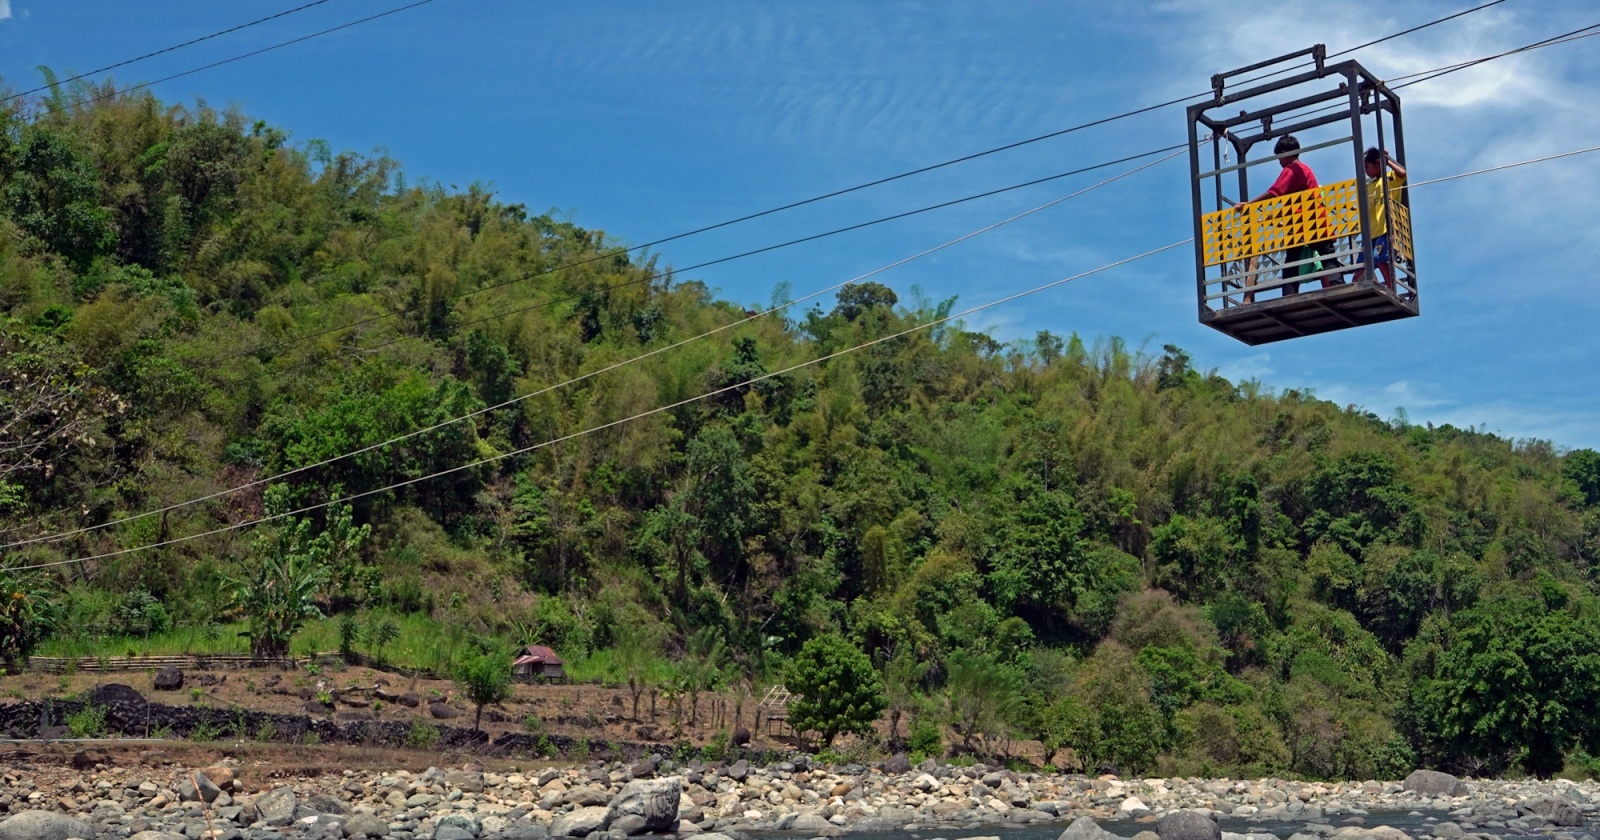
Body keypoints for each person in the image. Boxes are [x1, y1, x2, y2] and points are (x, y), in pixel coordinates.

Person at [1240, 135, 1342, 299]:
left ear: (1285, 152)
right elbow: (1291, 201)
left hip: (1300, 223)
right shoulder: (1306, 169)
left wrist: (1249, 204)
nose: (1279, 162)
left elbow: (1274, 192)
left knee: (1292, 262)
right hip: (1317, 219)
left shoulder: (1290, 170)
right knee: (1327, 255)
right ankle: (1338, 286)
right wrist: (1269, 217)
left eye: (1279, 157)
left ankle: (1289, 294)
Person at [1354, 146, 1408, 291]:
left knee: (1380, 259)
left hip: (1385, 229)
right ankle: (1353, 287)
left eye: (1367, 167)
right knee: (1361, 265)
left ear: (1377, 164)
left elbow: (1402, 173)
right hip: (1371, 232)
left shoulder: (1390, 178)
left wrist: (1387, 161)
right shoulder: (1369, 186)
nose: (1366, 171)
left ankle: (1391, 288)